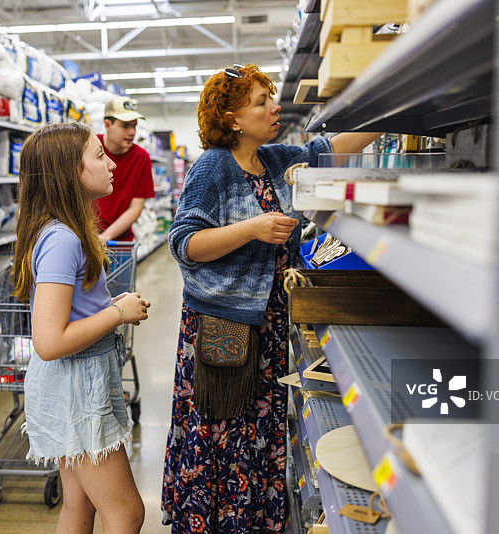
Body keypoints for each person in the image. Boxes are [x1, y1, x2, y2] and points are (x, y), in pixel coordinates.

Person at [161, 64, 380, 533]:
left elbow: (328, 150)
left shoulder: (276, 160)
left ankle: (253, 521)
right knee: (224, 428)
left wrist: (392, 115)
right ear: (233, 118)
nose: (274, 107)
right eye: (261, 101)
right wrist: (252, 229)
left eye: (271, 97)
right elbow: (184, 244)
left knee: (259, 433)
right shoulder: (212, 168)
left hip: (271, 323)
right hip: (223, 328)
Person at [11, 122, 150, 534]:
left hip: (74, 380)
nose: (111, 165)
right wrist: (118, 312)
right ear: (70, 172)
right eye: (98, 155)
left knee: (79, 504)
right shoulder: (62, 240)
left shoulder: (61, 231)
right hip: (76, 384)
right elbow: (50, 341)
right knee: (126, 512)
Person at [95, 96, 155, 243]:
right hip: (86, 236)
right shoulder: (90, 148)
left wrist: (105, 237)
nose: (132, 132)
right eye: (125, 126)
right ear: (108, 125)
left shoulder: (141, 158)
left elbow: (136, 207)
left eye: (134, 126)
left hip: (119, 242)